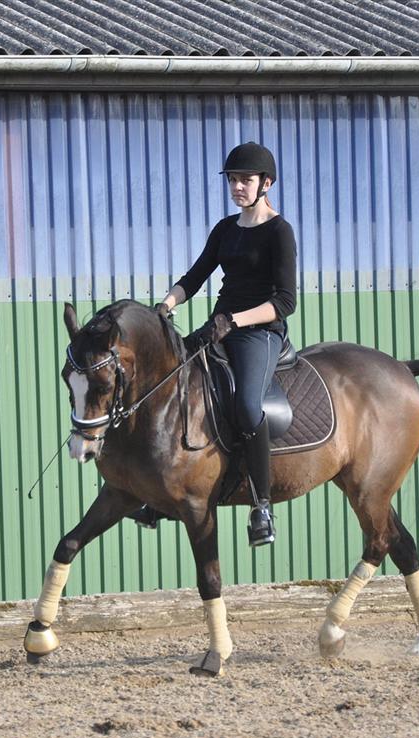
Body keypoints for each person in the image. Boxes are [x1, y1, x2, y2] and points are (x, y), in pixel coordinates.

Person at [133, 141, 298, 548]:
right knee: (169, 383)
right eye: (233, 180)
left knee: (246, 405)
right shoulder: (225, 229)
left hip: (259, 332)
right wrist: (165, 305)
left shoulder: (279, 232)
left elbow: (285, 302)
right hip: (220, 327)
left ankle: (261, 506)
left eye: (246, 180)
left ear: (266, 183)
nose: (238, 187)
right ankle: (158, 493)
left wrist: (235, 320)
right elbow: (195, 276)